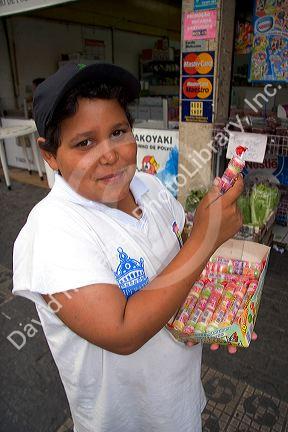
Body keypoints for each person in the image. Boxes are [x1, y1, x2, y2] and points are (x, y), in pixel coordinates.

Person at [13, 63, 245, 432]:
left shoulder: (150, 188)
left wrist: (216, 313)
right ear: (50, 155)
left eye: (118, 132)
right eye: (84, 142)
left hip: (179, 405)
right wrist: (206, 238)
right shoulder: (53, 229)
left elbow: (177, 259)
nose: (109, 155)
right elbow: (121, 331)